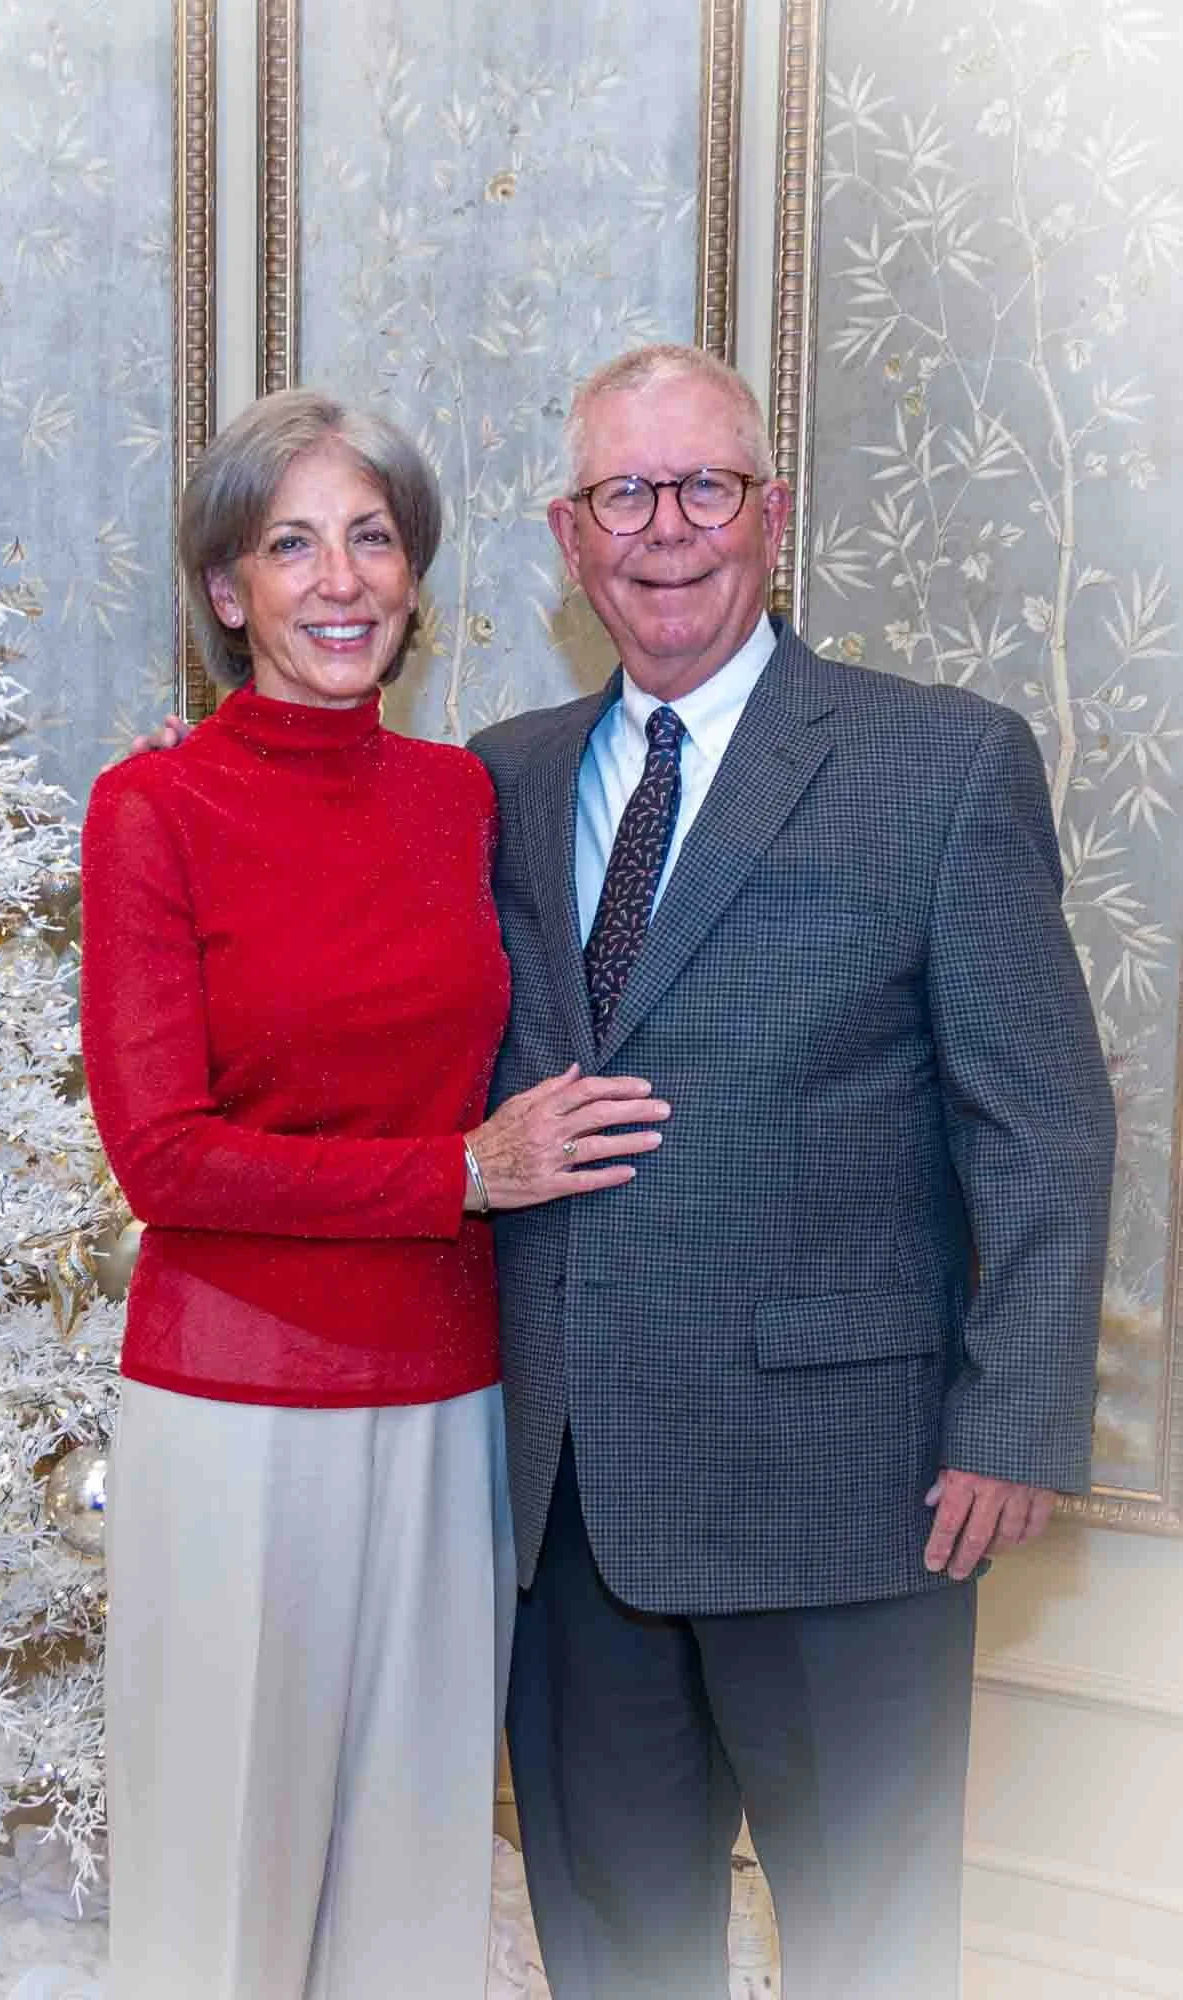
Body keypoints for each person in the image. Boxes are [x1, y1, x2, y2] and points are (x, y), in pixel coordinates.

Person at [466, 344, 1116, 2000]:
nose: (666, 529)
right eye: (627, 491)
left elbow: (1039, 1116)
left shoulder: (941, 762)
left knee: (870, 1947)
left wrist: (1016, 1418)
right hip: (575, 1493)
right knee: (612, 1944)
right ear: (568, 533)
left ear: (775, 514)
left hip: (850, 1487)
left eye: (707, 487)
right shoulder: (503, 776)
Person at [79, 386, 669, 2000]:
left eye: (373, 539)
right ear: (227, 589)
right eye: (291, 546)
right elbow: (164, 1156)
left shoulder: (458, 800)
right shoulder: (155, 808)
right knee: (224, 1878)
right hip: (232, 1402)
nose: (338, 582)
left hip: (451, 1398)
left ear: (413, 580)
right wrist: (460, 1175)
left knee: (416, 1875)